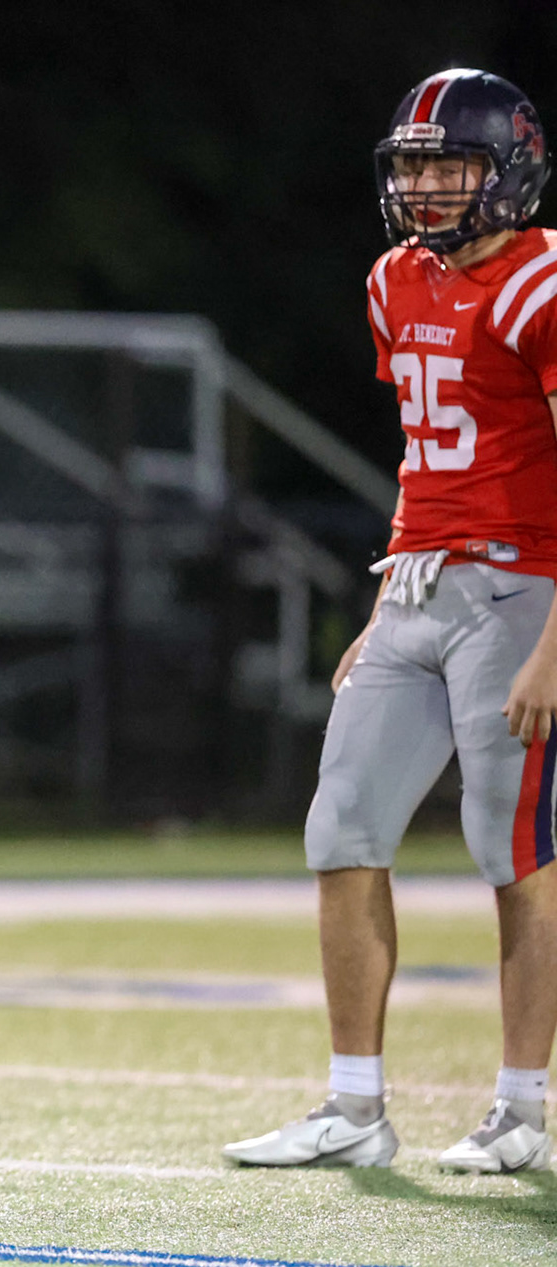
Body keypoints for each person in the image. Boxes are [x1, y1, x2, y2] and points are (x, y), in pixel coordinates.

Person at [225, 68, 557, 1175]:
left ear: (509, 174)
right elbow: (422, 456)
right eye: (413, 165)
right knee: (343, 829)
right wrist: (384, 599)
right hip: (420, 583)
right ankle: (355, 1104)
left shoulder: (541, 280)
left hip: (524, 587)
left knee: (512, 850)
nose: (424, 187)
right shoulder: (394, 279)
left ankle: (521, 1106)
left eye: (449, 166)